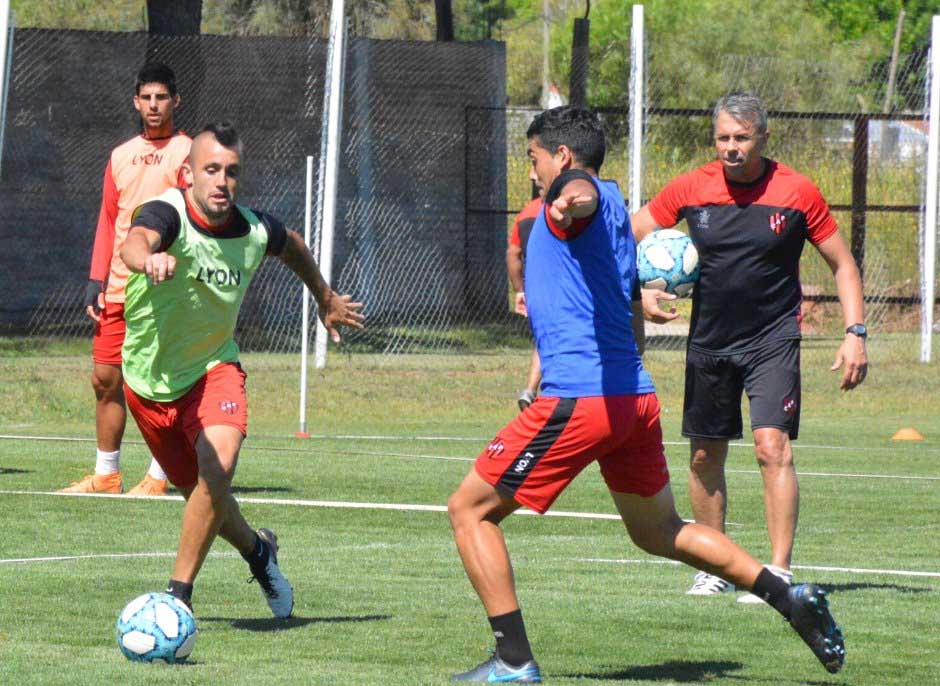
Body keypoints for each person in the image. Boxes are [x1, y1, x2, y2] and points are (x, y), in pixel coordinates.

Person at [447, 105, 845, 683]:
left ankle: (513, 660)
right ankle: (788, 596)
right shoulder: (614, 201)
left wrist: (567, 198)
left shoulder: (575, 195)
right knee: (659, 532)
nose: (531, 171)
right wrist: (635, 294)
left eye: (533, 158)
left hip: (581, 398)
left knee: (470, 511)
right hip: (632, 399)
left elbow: (575, 190)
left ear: (561, 155)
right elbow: (610, 271)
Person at [118, 122, 364, 615]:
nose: (222, 181)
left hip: (215, 370)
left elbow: (292, 244)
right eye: (211, 170)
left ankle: (177, 598)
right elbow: (135, 241)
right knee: (206, 499)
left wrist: (325, 297)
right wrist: (148, 261)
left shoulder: (253, 230)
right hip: (147, 383)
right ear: (188, 175)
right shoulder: (168, 213)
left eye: (231, 172)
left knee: (219, 467)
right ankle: (258, 550)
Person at [631, 91, 868, 601]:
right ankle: (714, 565)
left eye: (741, 137)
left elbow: (843, 264)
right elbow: (628, 237)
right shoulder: (691, 186)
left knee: (771, 446)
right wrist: (637, 292)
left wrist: (855, 333)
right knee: (703, 457)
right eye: (722, 138)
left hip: (772, 338)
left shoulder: (797, 191)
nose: (731, 147)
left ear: (764, 137)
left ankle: (777, 570)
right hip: (709, 341)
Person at [62, 63, 192, 496]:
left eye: (162, 97)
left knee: (162, 382)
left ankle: (159, 476)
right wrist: (95, 278)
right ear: (136, 102)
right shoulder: (120, 155)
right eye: (146, 98)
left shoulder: (188, 153)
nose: (154, 105)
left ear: (176, 101)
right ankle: (106, 475)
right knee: (105, 379)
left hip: (163, 287)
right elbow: (108, 219)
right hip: (118, 286)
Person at [507, 196, 646, 412]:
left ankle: (532, 390)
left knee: (550, 334)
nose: (533, 177)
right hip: (578, 295)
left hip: (542, 287)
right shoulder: (598, 209)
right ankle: (556, 391)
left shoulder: (528, 212)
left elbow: (513, 253)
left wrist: (520, 290)